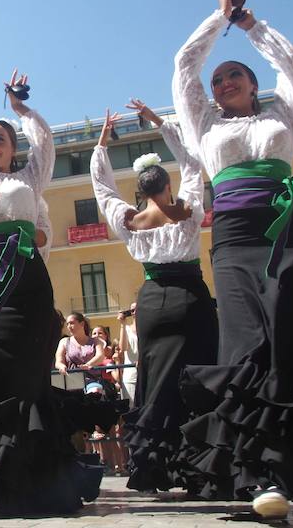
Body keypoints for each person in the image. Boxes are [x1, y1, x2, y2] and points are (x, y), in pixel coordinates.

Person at [172, 0, 293, 519]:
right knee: (247, 342)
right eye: (220, 77)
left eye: (235, 75)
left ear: (254, 85)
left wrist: (249, 25)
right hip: (232, 239)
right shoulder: (202, 123)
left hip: (289, 232)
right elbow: (185, 66)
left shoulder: (285, 115)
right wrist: (218, 17)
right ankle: (263, 473)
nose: (223, 80)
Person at [0, 68, 112, 515]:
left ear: (13, 148)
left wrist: (21, 109)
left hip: (27, 282)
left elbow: (45, 141)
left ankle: (24, 475)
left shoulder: (31, 178)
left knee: (25, 379)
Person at [91, 102, 218, 493]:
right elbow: (194, 163)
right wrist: (161, 123)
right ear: (167, 184)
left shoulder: (129, 222)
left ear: (141, 191)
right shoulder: (189, 209)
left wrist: (102, 144)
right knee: (199, 376)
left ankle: (151, 466)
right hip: (192, 298)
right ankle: (201, 465)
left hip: (152, 302)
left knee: (155, 382)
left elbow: (103, 187)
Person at [55, 313, 107, 396]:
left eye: (72, 323)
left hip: (92, 379)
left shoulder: (95, 341)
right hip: (72, 381)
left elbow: (100, 356)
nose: (69, 326)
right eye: (67, 324)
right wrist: (61, 366)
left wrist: (88, 364)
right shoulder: (64, 341)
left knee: (95, 392)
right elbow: (58, 361)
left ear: (82, 324)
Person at [115, 303, 138, 403]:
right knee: (131, 408)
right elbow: (123, 348)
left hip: (148, 373)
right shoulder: (126, 329)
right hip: (131, 375)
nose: (135, 312)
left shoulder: (148, 327)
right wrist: (122, 324)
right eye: (132, 310)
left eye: (138, 309)